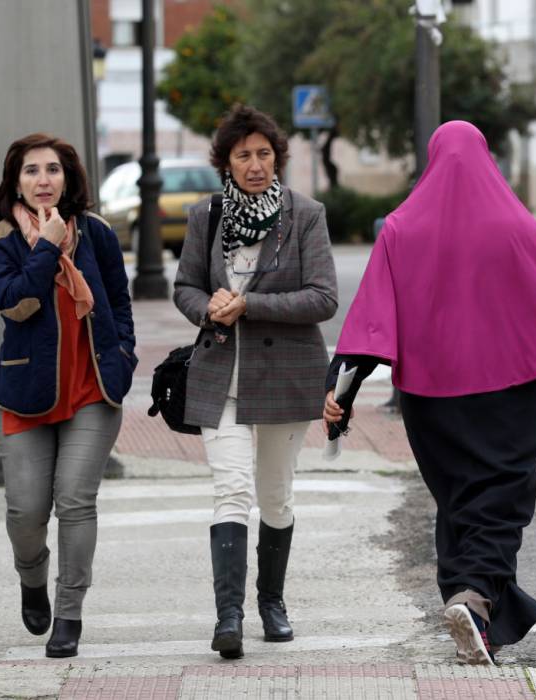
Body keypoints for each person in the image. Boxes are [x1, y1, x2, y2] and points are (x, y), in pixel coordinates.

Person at [323, 120, 536, 665]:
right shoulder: (516, 225)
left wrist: (342, 387)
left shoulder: (401, 228)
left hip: (432, 399)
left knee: (458, 498)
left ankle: (478, 619)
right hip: (509, 392)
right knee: (500, 500)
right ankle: (473, 599)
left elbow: (371, 324)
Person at [174, 104, 337, 659]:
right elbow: (185, 287)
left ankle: (272, 602)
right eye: (243, 155)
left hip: (286, 377)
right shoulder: (207, 215)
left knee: (275, 496)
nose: (255, 164)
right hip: (221, 376)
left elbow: (323, 297)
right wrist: (209, 306)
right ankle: (229, 617)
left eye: (264, 153)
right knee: (232, 490)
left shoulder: (305, 214)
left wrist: (249, 304)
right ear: (226, 161)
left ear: (277, 157)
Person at [0, 133, 136, 658]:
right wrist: (46, 246)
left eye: (52, 170)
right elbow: (16, 303)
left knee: (75, 501)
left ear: (67, 178)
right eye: (31, 171)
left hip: (92, 388)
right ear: (15, 181)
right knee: (25, 513)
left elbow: (118, 299)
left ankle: (69, 613)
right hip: (25, 393)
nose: (43, 180)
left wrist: (124, 357)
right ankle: (31, 578)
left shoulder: (96, 233)